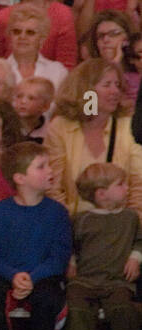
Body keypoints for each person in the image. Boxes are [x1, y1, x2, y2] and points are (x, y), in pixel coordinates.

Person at [0, 143, 71, 330]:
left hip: (43, 278)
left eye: (49, 165)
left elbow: (59, 258)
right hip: (6, 276)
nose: (50, 171)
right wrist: (13, 275)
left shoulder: (58, 213)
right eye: (41, 166)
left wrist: (33, 277)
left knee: (48, 296)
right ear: (20, 178)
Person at [45, 58, 142, 216]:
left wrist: (128, 227)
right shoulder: (60, 127)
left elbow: (139, 187)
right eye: (107, 85)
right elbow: (52, 187)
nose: (115, 91)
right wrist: (69, 225)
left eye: (117, 85)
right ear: (87, 91)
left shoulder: (129, 126)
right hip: (72, 224)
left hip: (119, 227)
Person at [64, 162, 141, 330]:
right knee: (76, 309)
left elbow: (139, 241)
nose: (127, 188)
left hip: (116, 282)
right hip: (85, 281)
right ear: (101, 194)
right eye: (120, 184)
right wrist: (71, 261)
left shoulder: (130, 218)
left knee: (124, 311)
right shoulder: (82, 220)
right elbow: (71, 245)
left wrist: (135, 257)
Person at [2, 3, 68, 94]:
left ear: (42, 39)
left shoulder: (58, 71)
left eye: (30, 32)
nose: (22, 36)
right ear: (9, 36)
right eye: (17, 31)